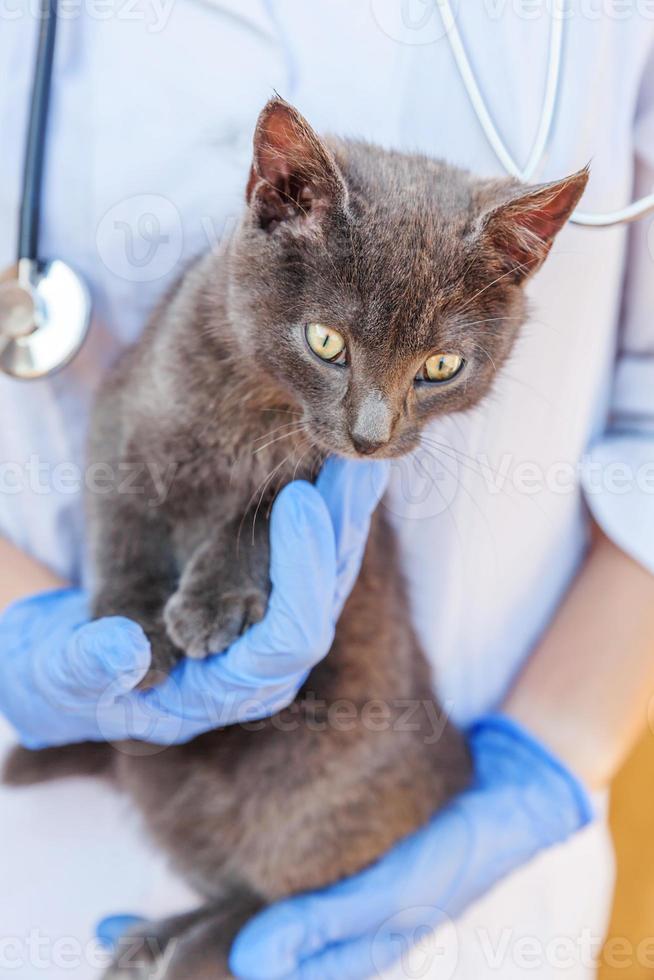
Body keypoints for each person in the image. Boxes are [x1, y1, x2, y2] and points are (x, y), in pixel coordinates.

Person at [1, 4, 654, 978]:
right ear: (274, 198)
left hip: (446, 825)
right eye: (333, 351)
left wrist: (557, 748)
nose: (375, 431)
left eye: (431, 373)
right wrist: (20, 622)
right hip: (54, 846)